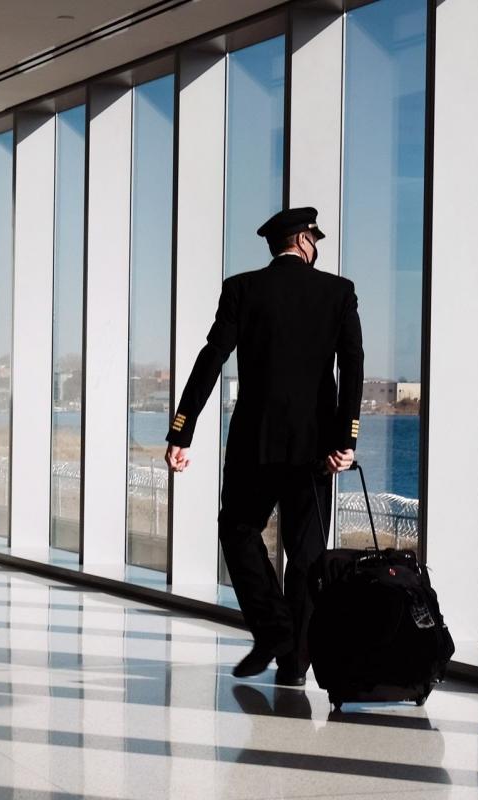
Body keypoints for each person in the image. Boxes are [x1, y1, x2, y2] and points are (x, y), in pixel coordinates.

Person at [164, 207, 364, 686]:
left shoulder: (241, 288)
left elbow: (211, 358)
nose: (317, 247)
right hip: (315, 449)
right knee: (307, 554)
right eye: (315, 238)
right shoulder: (338, 292)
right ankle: (294, 663)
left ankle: (272, 628)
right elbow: (352, 369)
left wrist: (181, 430)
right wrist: (345, 440)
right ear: (302, 240)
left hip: (254, 442)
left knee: (237, 530)